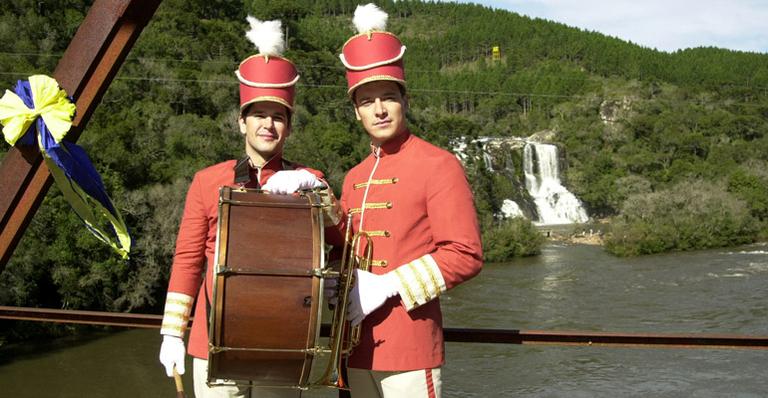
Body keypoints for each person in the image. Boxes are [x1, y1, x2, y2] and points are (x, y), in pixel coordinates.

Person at [157, 18, 334, 398]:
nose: (268, 124)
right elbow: (188, 259)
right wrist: (173, 331)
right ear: (242, 122)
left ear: (288, 126)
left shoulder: (309, 179)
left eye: (278, 116)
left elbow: (339, 235)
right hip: (214, 341)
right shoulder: (208, 180)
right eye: (259, 115)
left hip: (284, 344)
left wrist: (318, 189)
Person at [332, 4, 483, 398]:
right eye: (366, 101)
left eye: (387, 97)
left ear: (405, 100)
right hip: (354, 349)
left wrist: (388, 286)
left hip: (411, 347)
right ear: (355, 112)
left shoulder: (439, 164)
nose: (379, 109)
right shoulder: (352, 178)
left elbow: (466, 254)